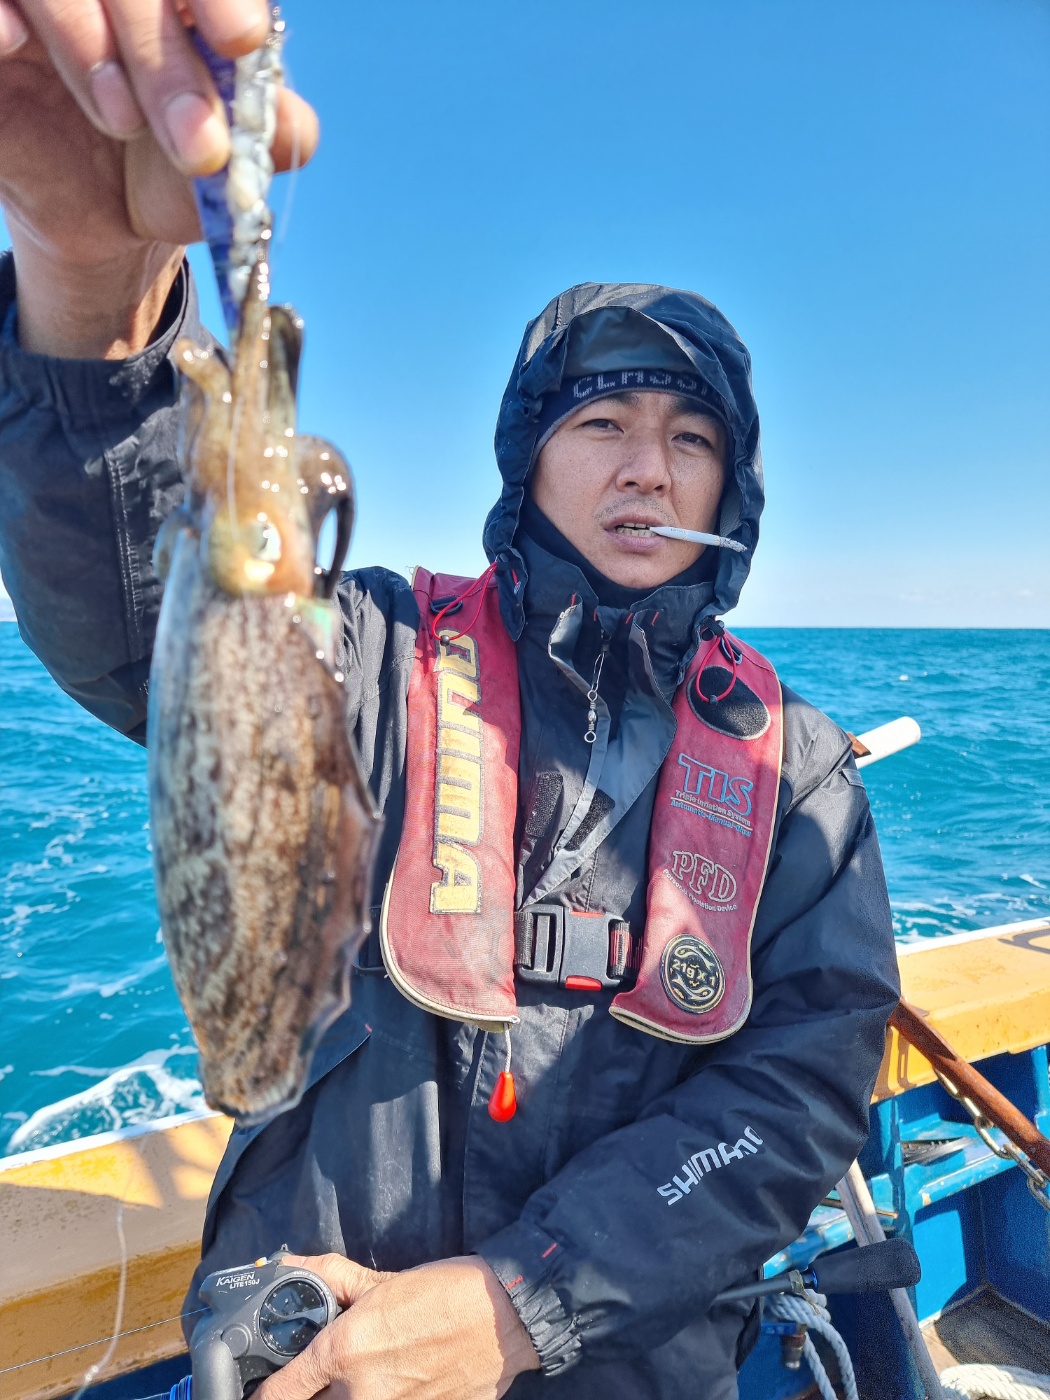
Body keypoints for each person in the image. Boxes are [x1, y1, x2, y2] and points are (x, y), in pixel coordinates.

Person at [0, 4, 900, 1396]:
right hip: (312, 1353)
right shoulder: (372, 650)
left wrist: (523, 1303)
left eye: (691, 438)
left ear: (732, 490)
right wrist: (83, 289)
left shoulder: (800, 775)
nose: (647, 469)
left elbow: (799, 1091)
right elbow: (156, 630)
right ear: (527, 467)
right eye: (600, 424)